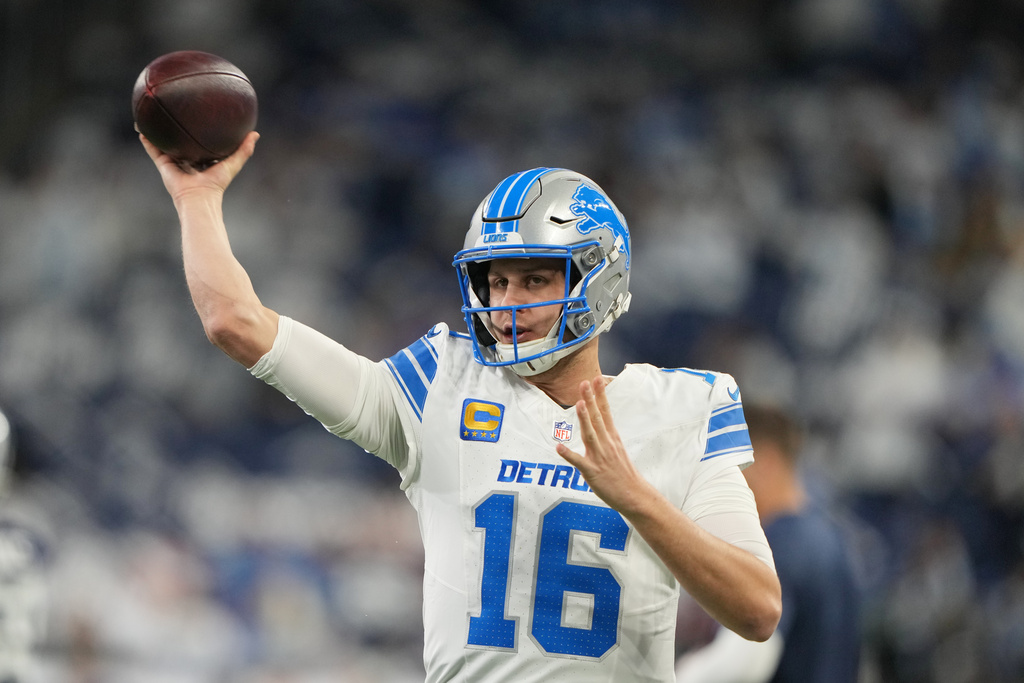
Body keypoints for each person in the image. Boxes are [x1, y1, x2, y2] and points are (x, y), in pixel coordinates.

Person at [140, 131, 782, 682]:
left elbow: (757, 609)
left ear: (598, 276)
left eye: (534, 278)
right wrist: (196, 198)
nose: (506, 302)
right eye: (495, 280)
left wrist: (637, 498)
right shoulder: (439, 389)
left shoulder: (684, 407)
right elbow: (235, 321)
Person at [675, 404, 861, 683]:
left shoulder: (784, 543)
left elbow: (748, 659)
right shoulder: (828, 535)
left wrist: (677, 676)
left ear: (766, 462)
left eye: (726, 465)